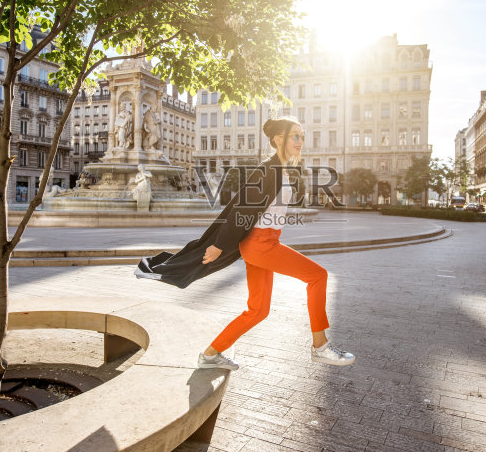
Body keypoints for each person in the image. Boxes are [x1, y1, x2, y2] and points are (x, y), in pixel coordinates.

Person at [135, 116, 354, 371]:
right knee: (318, 276)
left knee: (258, 311)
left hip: (264, 244)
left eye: (302, 136)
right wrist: (219, 245)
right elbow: (242, 209)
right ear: (278, 139)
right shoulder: (268, 170)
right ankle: (320, 346)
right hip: (262, 245)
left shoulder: (281, 170)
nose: (301, 141)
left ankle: (210, 355)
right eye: (295, 135)